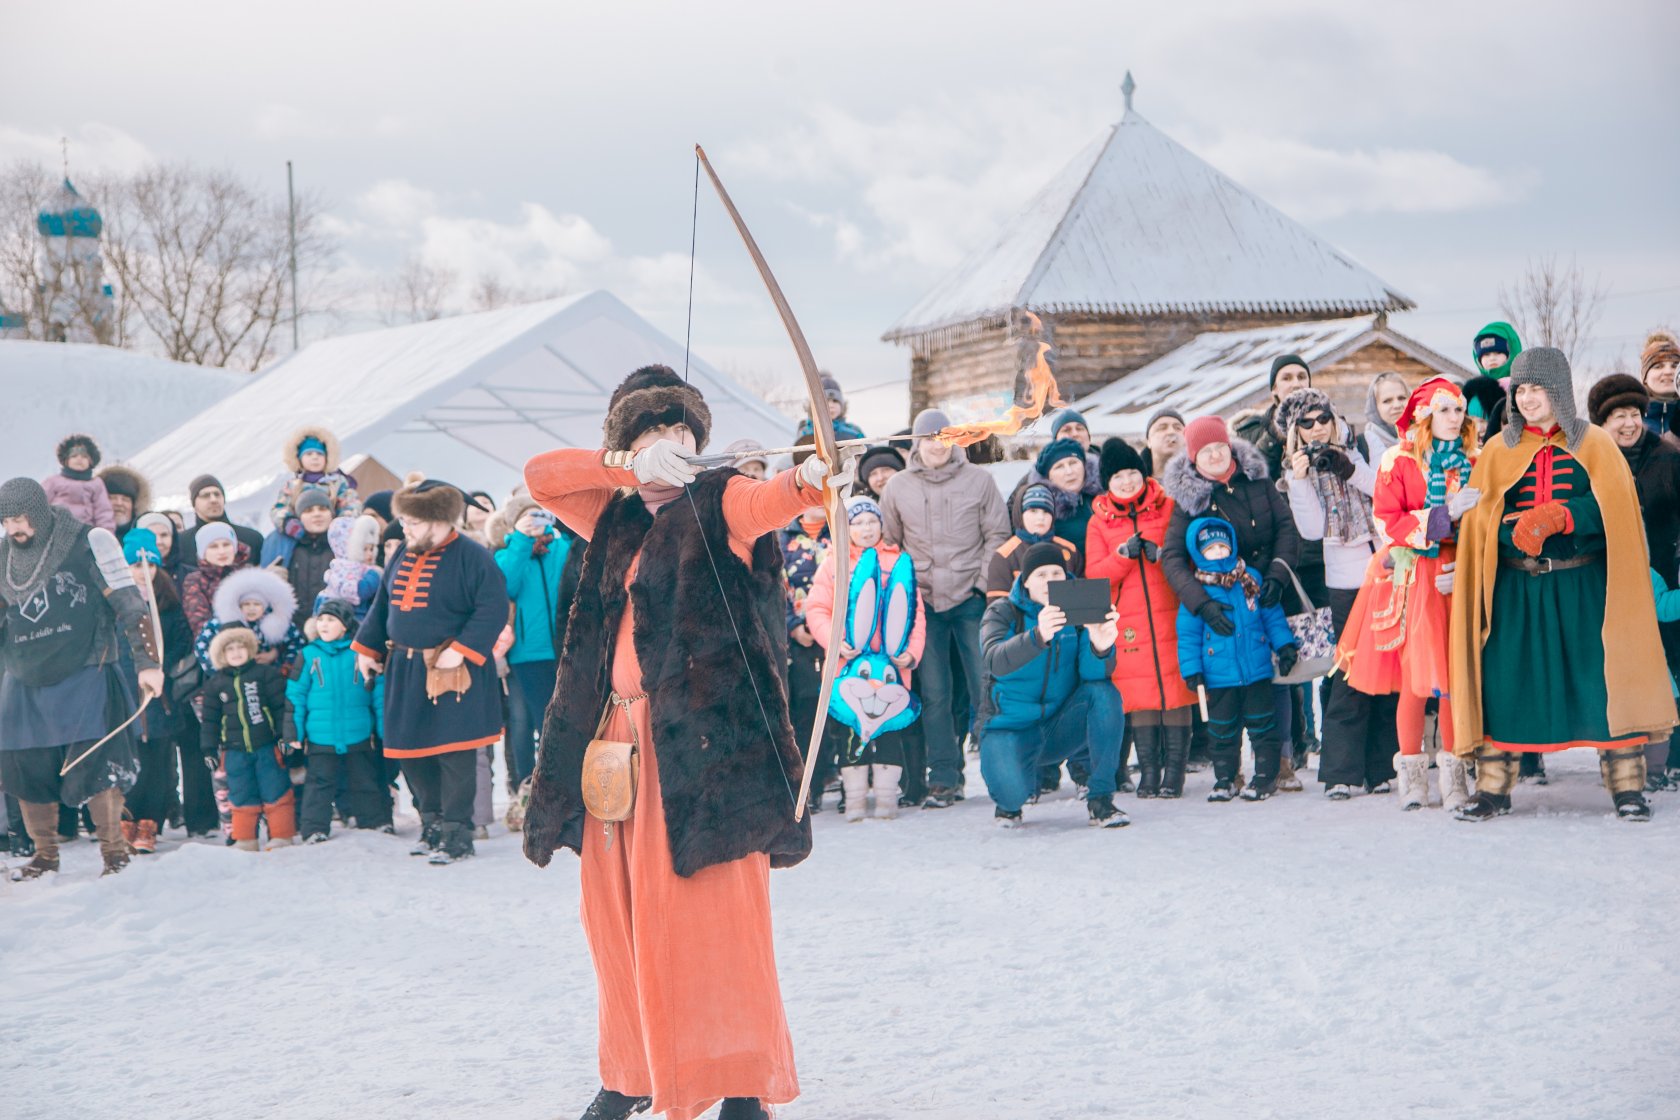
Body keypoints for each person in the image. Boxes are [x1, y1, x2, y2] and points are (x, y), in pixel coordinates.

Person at [520, 364, 824, 1120]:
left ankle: (745, 1086)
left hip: (703, 755)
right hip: (613, 745)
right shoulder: (614, 516)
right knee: (618, 921)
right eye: (656, 436)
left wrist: (814, 477)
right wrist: (627, 465)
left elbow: (773, 499)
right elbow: (540, 477)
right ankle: (630, 1074)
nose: (674, 448)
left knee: (716, 920)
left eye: (684, 436)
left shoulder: (719, 505)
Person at [1449, 348, 1677, 822]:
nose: (1528, 399)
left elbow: (1618, 512)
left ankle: (1626, 786)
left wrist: (1563, 516)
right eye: (1522, 390)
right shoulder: (1498, 449)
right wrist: (1511, 528)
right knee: (1505, 680)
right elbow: (1480, 518)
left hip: (1584, 586)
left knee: (1602, 679)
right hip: (1516, 589)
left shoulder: (1595, 443)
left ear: (1559, 390)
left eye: (1537, 388)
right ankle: (1493, 788)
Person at [0, 478, 162, 878]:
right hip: (23, 673)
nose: (15, 528)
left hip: (86, 667)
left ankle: (114, 853)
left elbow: (130, 604)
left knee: (96, 761)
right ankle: (45, 855)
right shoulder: (3, 555)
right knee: (25, 764)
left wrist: (149, 663)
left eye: (21, 518)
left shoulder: (90, 540)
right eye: (7, 520)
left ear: (38, 512)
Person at [1332, 380, 1478, 806]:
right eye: (1447, 410)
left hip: (1457, 574)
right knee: (1416, 678)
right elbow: (1386, 520)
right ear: (1425, 416)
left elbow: (1486, 519)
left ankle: (1454, 776)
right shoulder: (1397, 461)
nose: (1457, 418)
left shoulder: (1475, 460)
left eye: (1460, 410)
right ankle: (1412, 774)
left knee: (1453, 679)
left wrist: (1465, 561)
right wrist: (1442, 515)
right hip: (1413, 576)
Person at [353, 474, 507, 864]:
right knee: (411, 752)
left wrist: (463, 648)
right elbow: (382, 607)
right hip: (405, 669)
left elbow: (492, 609)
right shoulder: (403, 553)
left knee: (454, 755)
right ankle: (432, 824)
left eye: (413, 522)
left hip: (453, 671)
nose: (405, 528)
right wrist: (366, 648)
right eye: (404, 521)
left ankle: (458, 834)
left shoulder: (474, 558)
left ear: (440, 520)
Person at [879, 408, 1010, 808]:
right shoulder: (897, 487)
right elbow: (890, 543)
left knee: (985, 685)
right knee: (935, 692)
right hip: (924, 603)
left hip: (971, 598)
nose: (936, 444)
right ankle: (944, 777)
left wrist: (983, 586)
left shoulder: (980, 481)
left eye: (943, 436)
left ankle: (1001, 771)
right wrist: (904, 592)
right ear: (916, 442)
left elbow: (998, 534)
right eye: (928, 437)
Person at [977, 542, 1127, 828]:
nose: (1049, 581)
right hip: (1010, 728)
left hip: (1058, 727)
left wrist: (1100, 646)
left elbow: (1093, 677)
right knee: (1011, 796)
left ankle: (1101, 799)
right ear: (1026, 580)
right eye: (1041, 575)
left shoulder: (1080, 610)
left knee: (1105, 693)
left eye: (1056, 573)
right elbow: (994, 660)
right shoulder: (1003, 611)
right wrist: (1038, 636)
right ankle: (1011, 798)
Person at [1275, 386, 1376, 791]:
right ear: (1295, 431)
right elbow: (1313, 530)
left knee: (1386, 672)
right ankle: (1340, 773)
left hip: (1382, 568)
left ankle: (1381, 768)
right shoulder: (1295, 470)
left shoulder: (1359, 450)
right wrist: (1300, 481)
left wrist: (1347, 466)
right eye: (1307, 422)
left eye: (1323, 418)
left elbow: (1385, 494)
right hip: (1343, 580)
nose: (1317, 428)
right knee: (1348, 676)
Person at [803, 495, 926, 822]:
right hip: (849, 669)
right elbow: (816, 608)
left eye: (872, 521)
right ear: (846, 527)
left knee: (888, 728)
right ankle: (854, 797)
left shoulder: (898, 560)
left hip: (891, 669)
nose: (866, 528)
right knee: (848, 729)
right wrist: (834, 640)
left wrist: (912, 653)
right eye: (857, 522)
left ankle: (887, 796)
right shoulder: (834, 563)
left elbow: (916, 612)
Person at [1086, 438, 1197, 797]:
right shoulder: (1099, 521)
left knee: (1176, 691)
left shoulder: (1168, 507)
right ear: (1108, 482)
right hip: (1129, 622)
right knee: (1139, 695)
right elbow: (1093, 577)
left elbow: (1188, 555)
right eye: (1118, 476)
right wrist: (1122, 555)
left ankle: (1174, 774)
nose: (1127, 481)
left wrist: (1161, 555)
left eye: (1132, 473)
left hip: (1170, 615)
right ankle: (1149, 772)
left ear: (1143, 473)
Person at [1589, 373, 1680, 789]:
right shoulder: (1590, 461)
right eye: (1617, 416)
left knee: (1668, 668)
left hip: (1662, 574)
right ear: (1601, 423)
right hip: (1607, 580)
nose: (1628, 423)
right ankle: (1625, 759)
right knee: (1618, 671)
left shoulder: (1667, 457)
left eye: (1634, 414)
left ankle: (1668, 760)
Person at [1175, 518, 1300, 801]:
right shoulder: (1197, 592)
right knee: (1222, 731)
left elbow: (1271, 616)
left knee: (1263, 726)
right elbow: (1188, 634)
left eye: (1222, 546)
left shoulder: (1250, 579)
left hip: (1256, 670)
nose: (1218, 553)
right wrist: (1192, 669)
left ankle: (1266, 777)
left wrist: (1284, 646)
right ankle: (1225, 778)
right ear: (1198, 554)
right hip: (1219, 675)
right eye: (1210, 549)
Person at [286, 598, 385, 842]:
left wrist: (384, 730)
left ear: (345, 625)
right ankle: (314, 828)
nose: (324, 624)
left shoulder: (360, 653)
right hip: (321, 735)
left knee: (365, 780)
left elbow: (378, 694)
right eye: (321, 619)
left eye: (331, 620)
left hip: (358, 731)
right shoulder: (308, 655)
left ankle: (374, 822)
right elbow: (295, 696)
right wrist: (293, 733)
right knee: (319, 785)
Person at [121, 528, 194, 855]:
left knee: (159, 763)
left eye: (148, 566)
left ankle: (150, 823)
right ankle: (125, 821)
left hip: (161, 697)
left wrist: (163, 667)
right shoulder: (117, 603)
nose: (143, 573)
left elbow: (181, 639)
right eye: (136, 566)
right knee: (129, 761)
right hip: (127, 695)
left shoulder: (167, 601)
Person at [495, 494, 575, 789]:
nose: (535, 522)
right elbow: (508, 586)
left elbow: (575, 574)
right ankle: (534, 783)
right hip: (528, 654)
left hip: (565, 647)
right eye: (527, 518)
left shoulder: (561, 548)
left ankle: (564, 780)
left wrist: (556, 533)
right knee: (537, 720)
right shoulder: (506, 554)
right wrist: (521, 540)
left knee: (565, 719)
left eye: (539, 515)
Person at [200, 627, 293, 850]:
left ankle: (281, 835)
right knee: (241, 794)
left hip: (266, 747)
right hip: (234, 751)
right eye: (229, 649)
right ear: (221, 655)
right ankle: (245, 839)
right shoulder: (215, 684)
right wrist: (209, 749)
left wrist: (283, 736)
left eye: (240, 647)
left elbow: (280, 708)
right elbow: (210, 721)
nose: (236, 652)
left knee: (276, 790)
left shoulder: (265, 674)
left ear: (250, 649)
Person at [779, 498, 837, 813]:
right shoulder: (782, 538)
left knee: (835, 706)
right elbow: (777, 584)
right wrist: (792, 625)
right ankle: (809, 786)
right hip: (800, 636)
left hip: (837, 633)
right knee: (804, 709)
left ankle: (837, 773)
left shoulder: (838, 533)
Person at [192, 566, 303, 675]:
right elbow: (201, 645)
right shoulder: (221, 623)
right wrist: (221, 670)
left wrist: (282, 663)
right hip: (233, 679)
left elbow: (297, 644)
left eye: (257, 604)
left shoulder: (278, 622)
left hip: (269, 678)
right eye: (246, 604)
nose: (251, 608)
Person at [261, 487, 337, 630]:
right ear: (299, 517)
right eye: (308, 510)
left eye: (322, 509)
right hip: (293, 629)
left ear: (331, 514)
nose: (317, 514)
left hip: (333, 628)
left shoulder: (340, 549)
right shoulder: (289, 550)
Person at [986, 484, 1080, 598]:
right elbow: (997, 604)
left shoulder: (1070, 550)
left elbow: (1082, 594)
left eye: (1046, 511)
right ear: (1020, 514)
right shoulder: (1004, 555)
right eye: (1033, 511)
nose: (1041, 517)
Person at [1231, 355, 1313, 479]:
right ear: (1274, 388)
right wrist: (1273, 436)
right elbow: (1248, 480)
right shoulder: (1251, 431)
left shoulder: (1329, 423)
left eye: (1301, 377)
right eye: (1287, 378)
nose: (1296, 384)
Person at [1007, 438, 1095, 552]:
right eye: (1059, 466)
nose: (1069, 471)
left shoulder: (1103, 495)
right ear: (1049, 476)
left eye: (1073, 463)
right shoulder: (1041, 507)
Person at [270, 426, 360, 533]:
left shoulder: (337, 482)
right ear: (299, 459)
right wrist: (288, 523)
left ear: (327, 458)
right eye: (309, 454)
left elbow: (351, 504)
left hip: (332, 533)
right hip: (301, 535)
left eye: (319, 454)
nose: (315, 457)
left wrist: (341, 523)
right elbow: (280, 508)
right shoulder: (292, 485)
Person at [180, 475, 265, 563]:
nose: (213, 500)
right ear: (193, 503)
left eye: (217, 494)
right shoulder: (182, 544)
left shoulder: (252, 539)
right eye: (205, 495)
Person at [316, 514, 383, 621]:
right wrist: (375, 574)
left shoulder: (366, 571)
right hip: (340, 620)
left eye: (372, 549)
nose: (370, 554)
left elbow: (363, 591)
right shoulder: (337, 569)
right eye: (364, 549)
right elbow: (361, 591)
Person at [41, 433, 115, 531]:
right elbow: (40, 503)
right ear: (66, 460)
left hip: (84, 534)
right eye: (74, 456)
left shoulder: (96, 484)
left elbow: (103, 512)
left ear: (91, 461)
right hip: (57, 531)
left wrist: (105, 535)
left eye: (84, 456)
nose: (79, 459)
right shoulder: (54, 481)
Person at [796, 372, 867, 443]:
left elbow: (869, 451)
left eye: (835, 401)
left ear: (842, 405)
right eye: (826, 401)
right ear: (815, 406)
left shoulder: (854, 432)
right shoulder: (806, 432)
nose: (831, 405)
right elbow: (798, 452)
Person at [1357, 372, 1410, 465]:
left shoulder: (1425, 438)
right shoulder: (1363, 447)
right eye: (1387, 401)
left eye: (1401, 398)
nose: (1397, 405)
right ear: (1375, 407)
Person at [1641, 329, 1680, 440]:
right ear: (1644, 377)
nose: (1668, 372)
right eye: (1658, 366)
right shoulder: (1631, 421)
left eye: (1674, 366)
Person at [98, 464, 150, 538]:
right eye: (112, 498)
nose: (119, 503)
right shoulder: (86, 536)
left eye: (125, 499)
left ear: (135, 505)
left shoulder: (147, 536)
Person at [1143, 409, 1185, 478]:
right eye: (1162, 428)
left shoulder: (1203, 480)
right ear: (1149, 441)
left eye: (1178, 428)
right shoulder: (1130, 483)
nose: (1171, 431)